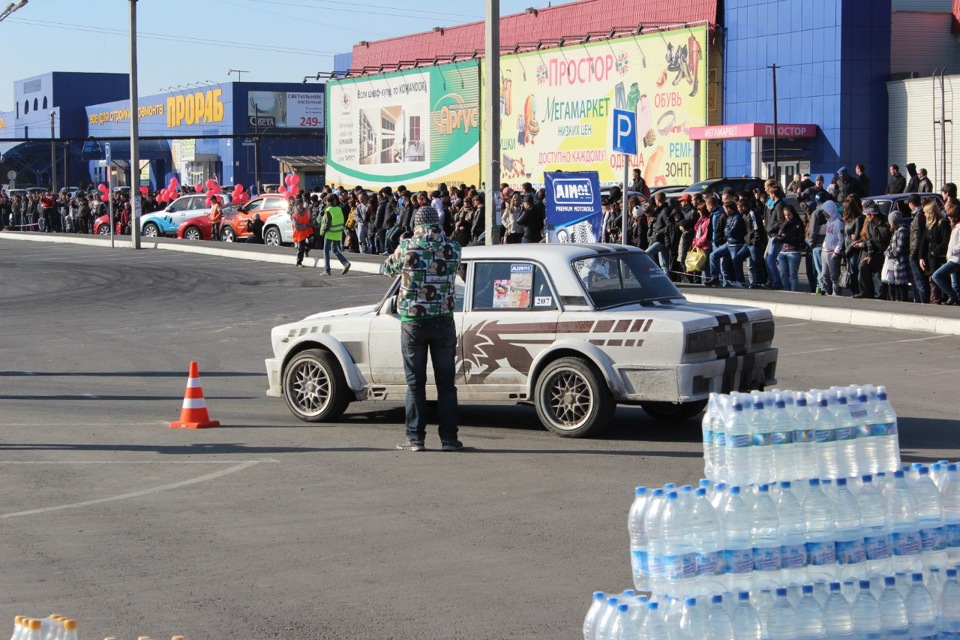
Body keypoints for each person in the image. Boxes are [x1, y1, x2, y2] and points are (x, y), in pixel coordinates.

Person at [382, 204, 463, 452]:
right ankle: (449, 439)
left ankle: (415, 438)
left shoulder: (407, 247)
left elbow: (387, 269)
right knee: (446, 383)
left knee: (415, 383)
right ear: (437, 223)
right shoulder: (453, 248)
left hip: (413, 321)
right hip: (443, 320)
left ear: (416, 224)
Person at [851, 202, 890, 299]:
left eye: (868, 215)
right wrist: (870, 255)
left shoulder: (885, 223)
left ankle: (881, 295)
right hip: (874, 252)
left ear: (872, 215)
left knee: (878, 272)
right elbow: (869, 241)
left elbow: (885, 240)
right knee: (864, 266)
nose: (867, 217)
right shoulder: (870, 224)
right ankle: (865, 292)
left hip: (885, 252)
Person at [921, 201, 952, 303]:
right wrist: (921, 257)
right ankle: (936, 299)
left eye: (926, 212)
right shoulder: (929, 225)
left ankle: (937, 299)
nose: (924, 214)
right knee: (932, 279)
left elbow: (946, 241)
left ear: (931, 213)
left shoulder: (942, 224)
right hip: (930, 259)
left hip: (939, 258)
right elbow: (924, 242)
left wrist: (935, 251)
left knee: (936, 278)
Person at [931, 204, 960, 305]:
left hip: (956, 259)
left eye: (950, 217)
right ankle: (956, 300)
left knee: (936, 276)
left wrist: (952, 251)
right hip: (952, 258)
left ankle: (953, 296)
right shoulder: (955, 227)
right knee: (955, 284)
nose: (949, 218)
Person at [318, 193, 351, 275]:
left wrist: (323, 232)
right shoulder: (338, 208)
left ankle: (327, 270)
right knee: (335, 250)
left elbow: (327, 223)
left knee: (326, 251)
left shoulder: (328, 210)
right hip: (337, 232)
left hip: (330, 233)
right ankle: (345, 263)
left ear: (327, 201)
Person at [882, 209, 911, 301]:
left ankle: (903, 301)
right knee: (895, 284)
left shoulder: (902, 230)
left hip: (901, 261)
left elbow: (900, 247)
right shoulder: (896, 230)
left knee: (901, 285)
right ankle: (897, 300)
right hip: (895, 262)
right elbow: (892, 245)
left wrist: (889, 254)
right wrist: (888, 251)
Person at [776, 204, 805, 292]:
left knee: (793, 275)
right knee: (783, 274)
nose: (787, 217)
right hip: (782, 251)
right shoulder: (783, 223)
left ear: (793, 214)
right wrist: (779, 236)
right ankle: (787, 291)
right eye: (785, 215)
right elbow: (778, 232)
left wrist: (787, 237)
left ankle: (793, 292)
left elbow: (800, 238)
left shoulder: (798, 223)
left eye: (789, 215)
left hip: (794, 251)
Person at [763, 180, 786, 289]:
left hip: (775, 235)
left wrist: (771, 227)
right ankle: (772, 280)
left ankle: (777, 282)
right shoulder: (772, 203)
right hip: (770, 233)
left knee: (771, 259)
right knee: (767, 257)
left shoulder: (779, 204)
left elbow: (780, 220)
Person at [819, 197, 844, 295]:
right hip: (825, 251)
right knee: (824, 274)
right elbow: (828, 236)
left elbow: (841, 238)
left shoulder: (838, 222)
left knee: (834, 276)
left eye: (825, 211)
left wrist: (836, 252)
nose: (823, 213)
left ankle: (836, 294)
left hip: (832, 253)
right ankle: (826, 292)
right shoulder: (828, 222)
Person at [907, 194, 928, 303]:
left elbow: (918, 236)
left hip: (916, 253)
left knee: (918, 279)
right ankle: (918, 299)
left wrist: (913, 253)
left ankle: (923, 301)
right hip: (915, 252)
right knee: (915, 280)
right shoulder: (917, 215)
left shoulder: (919, 216)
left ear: (912, 204)